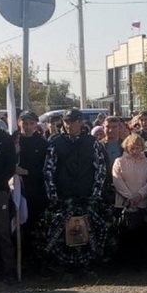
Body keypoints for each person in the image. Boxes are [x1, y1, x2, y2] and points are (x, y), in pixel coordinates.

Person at [42, 108, 110, 267]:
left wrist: (95, 193)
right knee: (62, 234)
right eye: (66, 122)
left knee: (90, 231)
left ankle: (89, 266)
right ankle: (65, 267)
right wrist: (53, 195)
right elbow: (48, 170)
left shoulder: (92, 142)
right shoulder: (55, 142)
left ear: (80, 122)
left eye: (72, 122)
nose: (68, 125)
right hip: (63, 196)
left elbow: (101, 169)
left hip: (87, 196)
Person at [112, 134, 147, 268]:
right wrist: (130, 196)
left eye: (138, 148)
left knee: (141, 235)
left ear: (142, 147)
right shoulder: (119, 161)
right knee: (125, 234)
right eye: (132, 148)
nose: (135, 151)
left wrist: (140, 195)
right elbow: (117, 180)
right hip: (124, 204)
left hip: (142, 204)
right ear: (127, 147)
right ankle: (126, 263)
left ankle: (141, 263)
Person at [15, 111, 49, 264]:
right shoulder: (14, 141)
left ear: (36, 125)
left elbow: (46, 168)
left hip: (35, 191)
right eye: (25, 123)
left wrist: (27, 172)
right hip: (16, 190)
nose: (27, 127)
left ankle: (37, 259)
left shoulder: (42, 144)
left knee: (35, 225)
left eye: (31, 124)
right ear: (18, 123)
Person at [0, 121, 17, 283]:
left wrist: (1, 181)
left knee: (2, 231)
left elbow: (10, 166)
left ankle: (9, 269)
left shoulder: (5, 140)